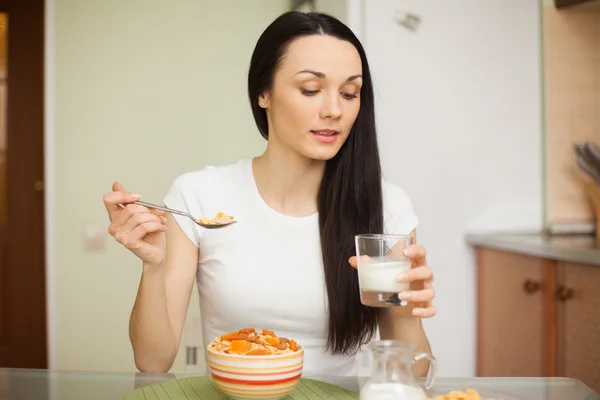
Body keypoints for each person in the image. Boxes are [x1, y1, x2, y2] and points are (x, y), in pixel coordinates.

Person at [103, 10, 436, 377]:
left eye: (349, 93)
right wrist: (153, 267)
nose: (334, 110)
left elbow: (412, 377)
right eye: (311, 89)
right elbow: (152, 362)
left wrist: (405, 317)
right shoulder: (198, 196)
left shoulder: (387, 207)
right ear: (264, 92)